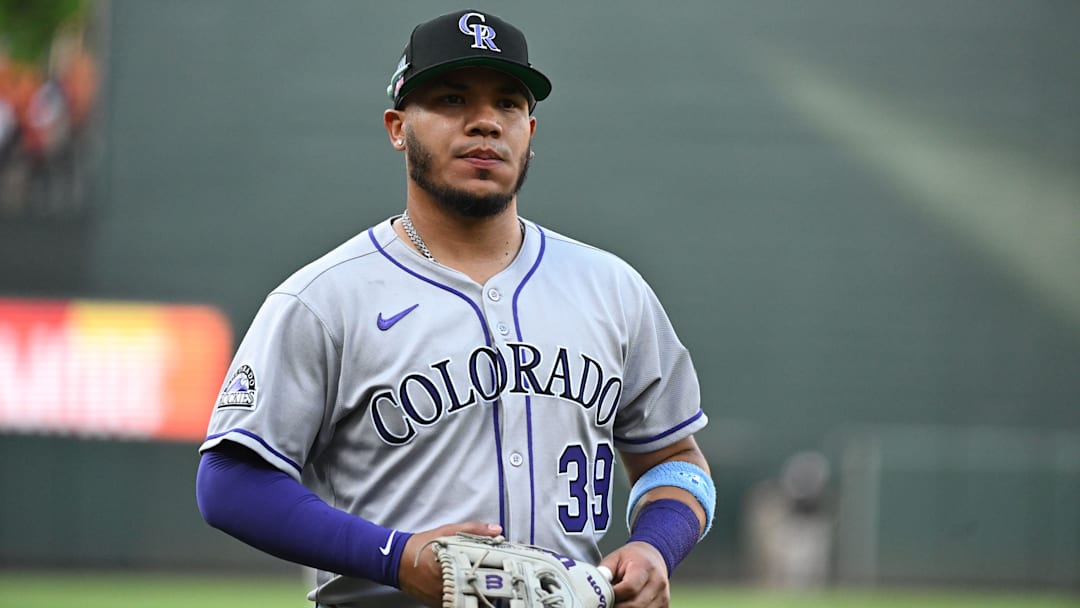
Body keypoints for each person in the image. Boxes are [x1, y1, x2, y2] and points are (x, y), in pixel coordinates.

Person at [196, 9, 715, 608]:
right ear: (398, 127)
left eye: (508, 104)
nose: (485, 123)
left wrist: (656, 545)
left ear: (530, 130)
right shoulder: (324, 298)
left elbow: (677, 461)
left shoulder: (613, 289)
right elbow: (231, 482)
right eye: (451, 99)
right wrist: (397, 556)